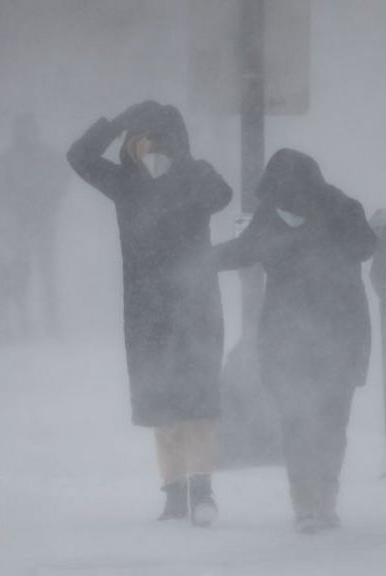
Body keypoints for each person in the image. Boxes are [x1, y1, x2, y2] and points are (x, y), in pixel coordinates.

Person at [67, 101, 232, 527]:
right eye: (139, 138)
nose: (148, 148)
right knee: (164, 411)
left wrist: (185, 164)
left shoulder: (195, 177)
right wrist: (117, 121)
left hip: (196, 308)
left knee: (198, 407)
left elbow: (223, 195)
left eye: (158, 139)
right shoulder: (126, 183)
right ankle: (174, 496)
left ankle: (203, 492)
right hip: (146, 312)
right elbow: (79, 157)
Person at [212, 148, 375, 533]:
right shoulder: (271, 215)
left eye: (287, 197)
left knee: (332, 422)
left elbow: (366, 246)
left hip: (339, 333)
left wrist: (311, 239)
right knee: (296, 421)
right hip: (287, 338)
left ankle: (325, 501)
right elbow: (242, 250)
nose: (282, 206)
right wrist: (193, 259)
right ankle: (306, 506)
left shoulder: (342, 208)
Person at [0, 114, 68, 335]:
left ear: (35, 131)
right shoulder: (7, 160)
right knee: (19, 275)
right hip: (18, 226)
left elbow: (61, 181)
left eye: (28, 130)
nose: (24, 135)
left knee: (46, 273)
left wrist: (50, 205)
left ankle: (52, 323)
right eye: (20, 130)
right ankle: (22, 323)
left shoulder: (48, 157)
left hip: (43, 224)